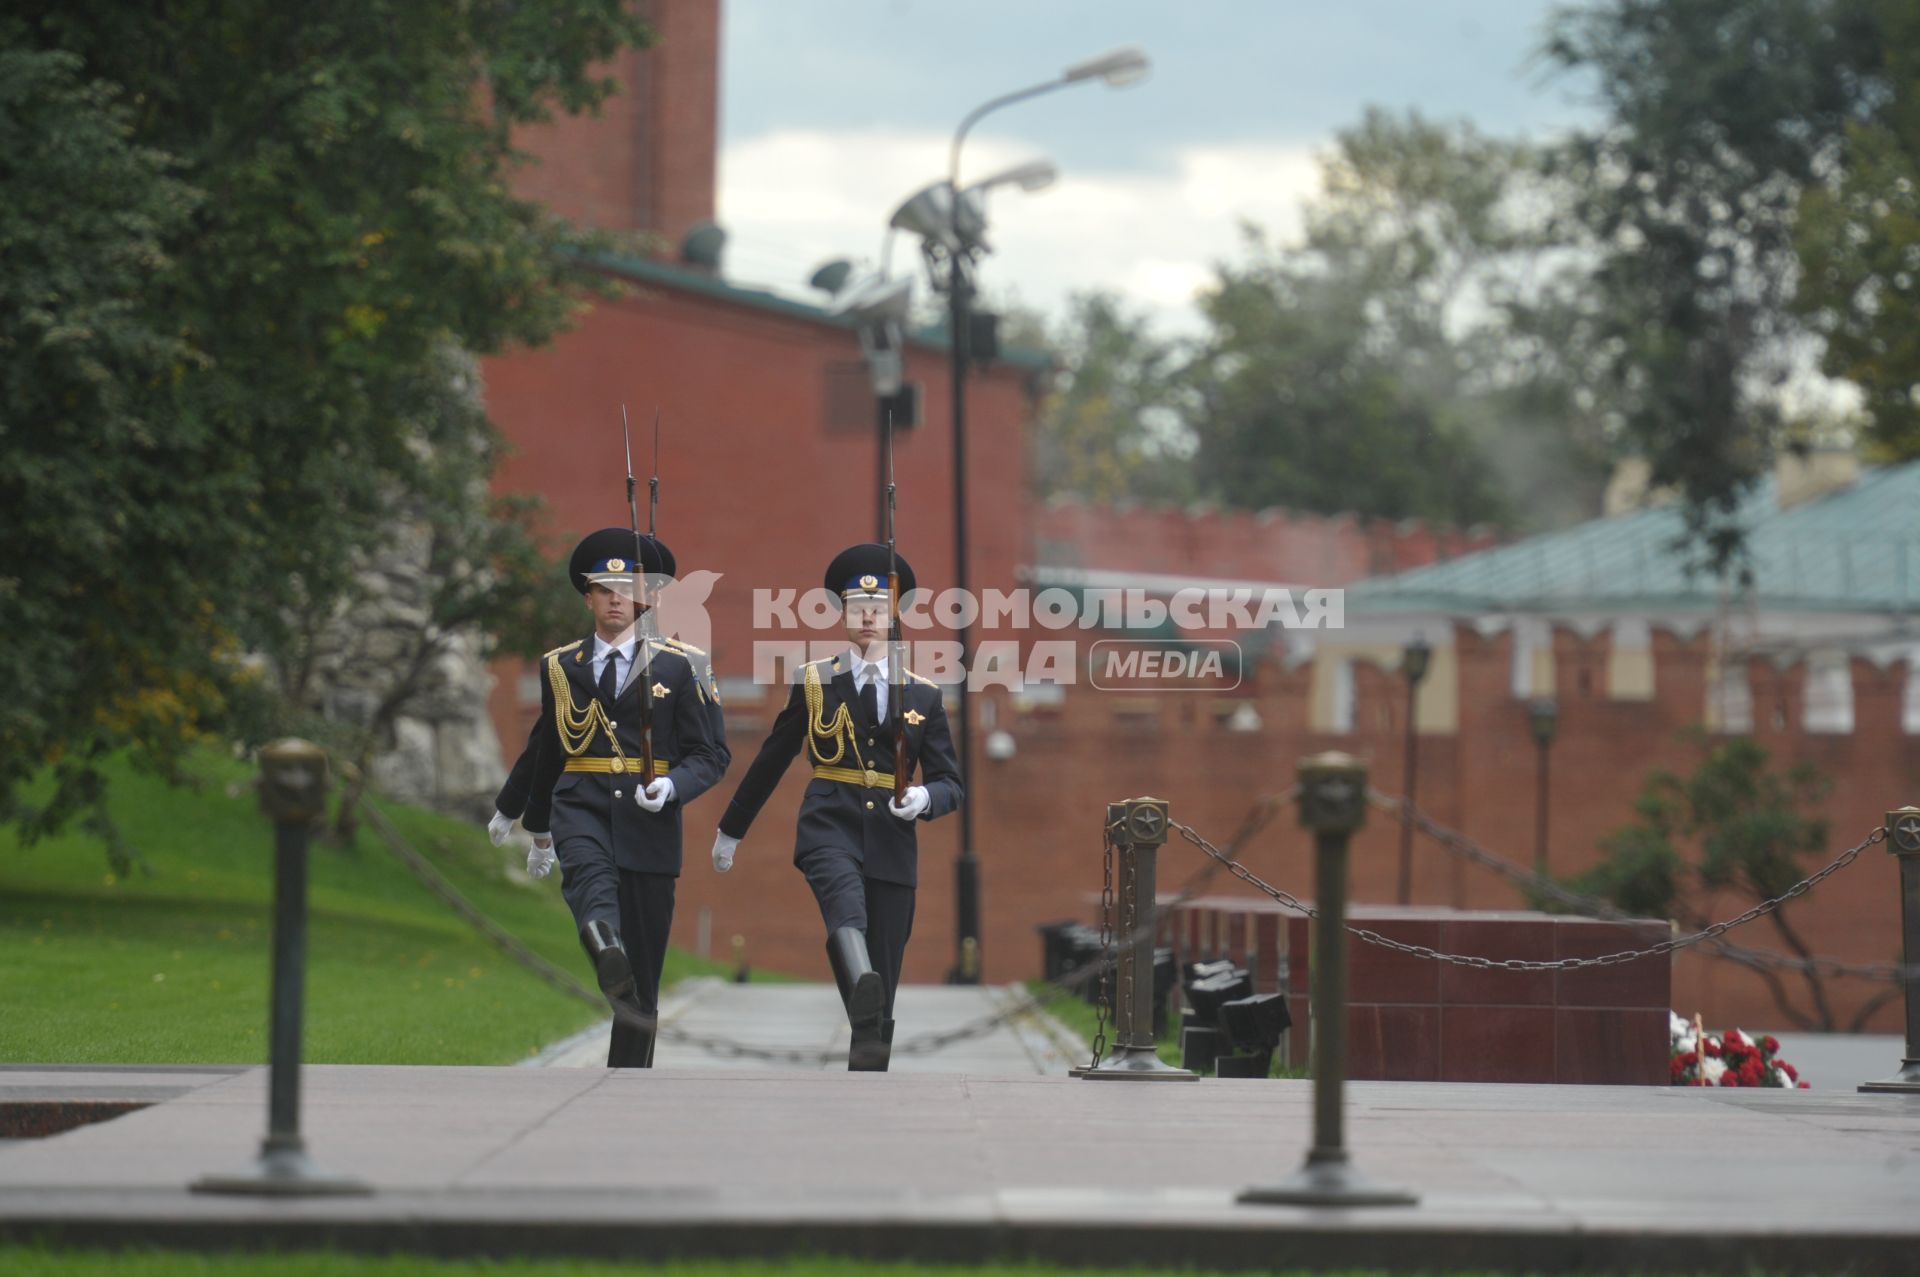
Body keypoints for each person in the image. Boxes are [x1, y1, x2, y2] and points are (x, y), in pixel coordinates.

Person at [710, 543, 962, 1070]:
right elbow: (773, 758)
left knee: (884, 976)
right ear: (842, 614)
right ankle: (860, 978)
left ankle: (867, 1072)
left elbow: (951, 784)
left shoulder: (923, 696)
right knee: (845, 912)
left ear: (893, 613)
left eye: (877, 607)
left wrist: (922, 797)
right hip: (830, 823)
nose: (867, 616)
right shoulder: (814, 680)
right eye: (856, 607)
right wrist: (731, 829)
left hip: (894, 843)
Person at [519, 527, 728, 1067]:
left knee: (644, 975)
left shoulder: (685, 664)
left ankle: (628, 1073)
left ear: (647, 597)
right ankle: (602, 944)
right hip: (581, 802)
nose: (616, 597)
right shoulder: (559, 665)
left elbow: (711, 754)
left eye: (627, 587)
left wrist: (674, 784)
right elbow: (549, 751)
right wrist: (538, 827)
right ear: (587, 597)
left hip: (651, 821)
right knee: (589, 883)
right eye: (604, 588)